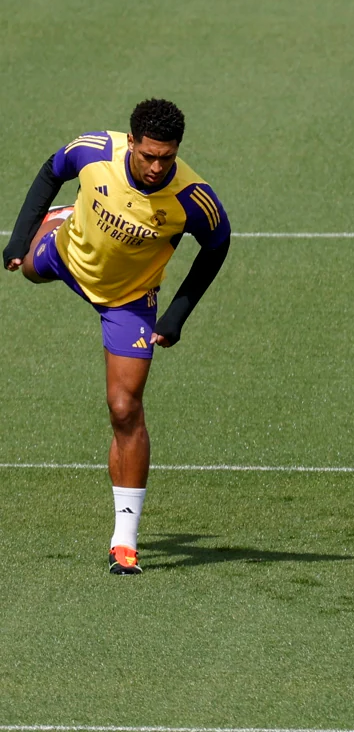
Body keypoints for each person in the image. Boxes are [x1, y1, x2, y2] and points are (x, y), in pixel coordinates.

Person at [3, 99, 231, 575]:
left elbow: (217, 244)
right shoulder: (93, 151)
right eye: (149, 155)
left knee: (124, 407)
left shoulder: (192, 198)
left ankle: (124, 541)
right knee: (27, 269)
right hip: (68, 255)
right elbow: (51, 169)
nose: (156, 167)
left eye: (167, 157)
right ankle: (60, 221)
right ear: (132, 142)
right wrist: (20, 235)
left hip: (128, 298)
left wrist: (177, 314)